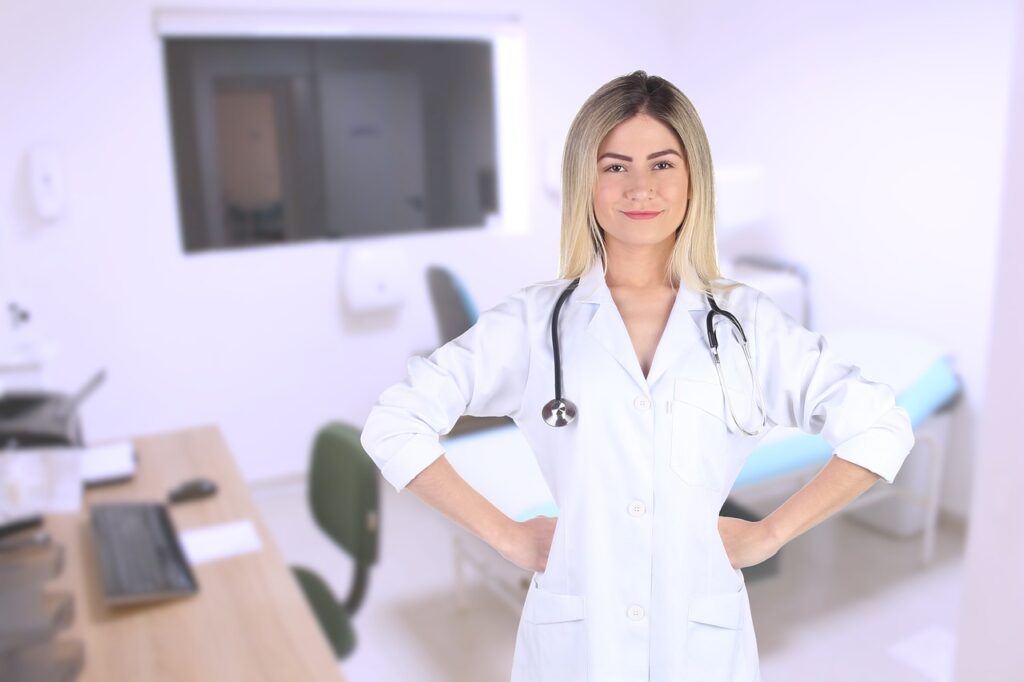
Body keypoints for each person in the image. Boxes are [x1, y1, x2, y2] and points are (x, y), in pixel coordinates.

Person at [359, 70, 915, 681]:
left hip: (700, 640)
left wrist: (769, 535)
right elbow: (394, 424)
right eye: (615, 166)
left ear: (693, 176)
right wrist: (507, 537)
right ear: (586, 182)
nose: (640, 187)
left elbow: (879, 427)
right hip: (577, 640)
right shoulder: (534, 322)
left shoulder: (747, 324)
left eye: (663, 164)